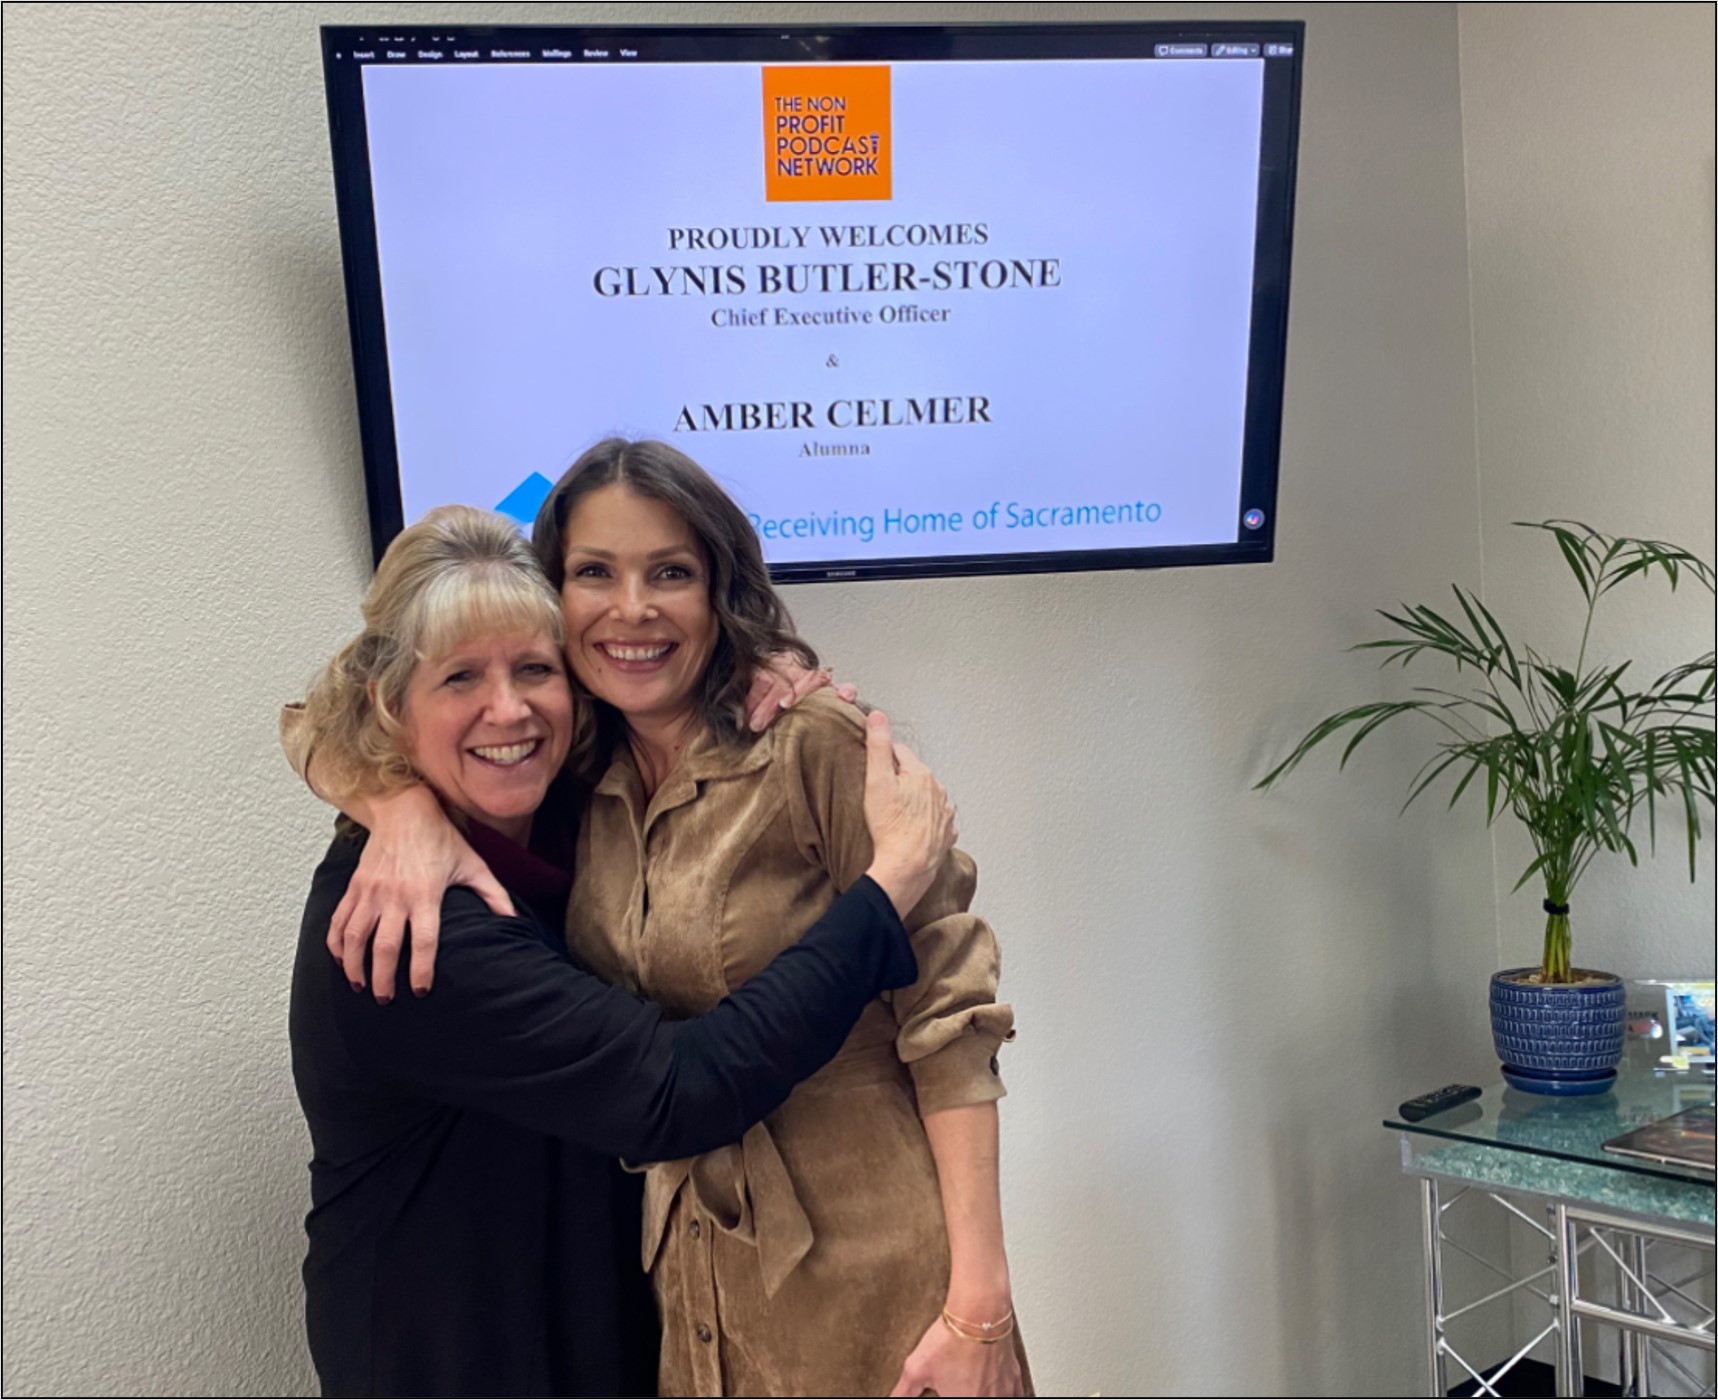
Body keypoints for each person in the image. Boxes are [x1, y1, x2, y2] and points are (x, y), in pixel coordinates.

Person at [328, 443, 1030, 1399]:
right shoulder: (575, 778)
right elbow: (313, 716)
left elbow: (954, 1021)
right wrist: (392, 803)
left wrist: (980, 1304)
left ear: (719, 590)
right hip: (688, 1296)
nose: (632, 608)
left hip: (871, 1279)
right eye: (593, 574)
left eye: (671, 573)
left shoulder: (813, 746)